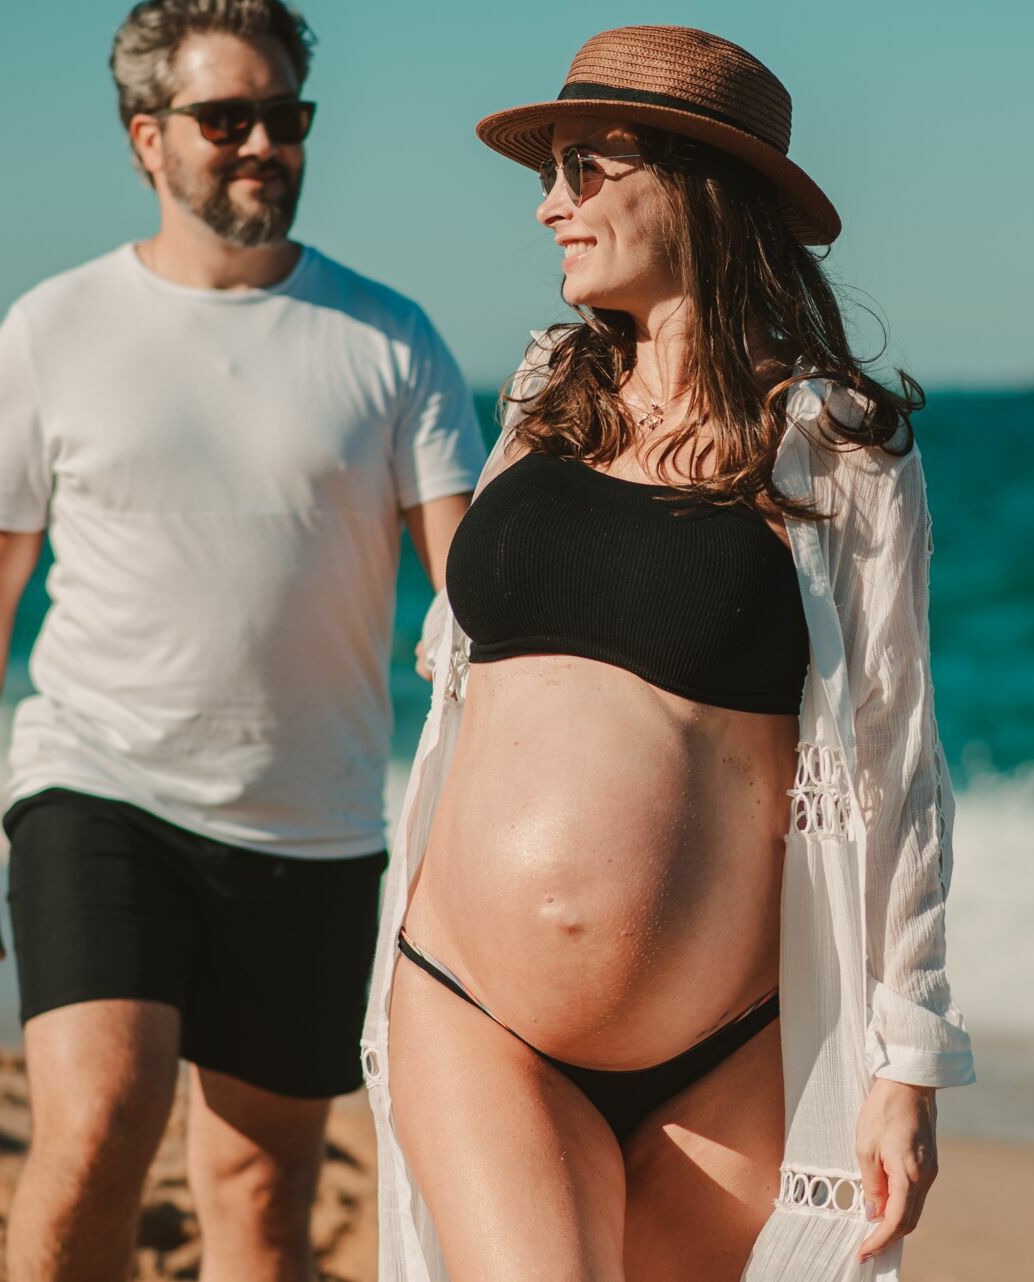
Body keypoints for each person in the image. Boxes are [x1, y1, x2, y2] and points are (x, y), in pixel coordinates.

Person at [360, 25, 973, 1282]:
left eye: (585, 169)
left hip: (737, 1049)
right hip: (474, 1005)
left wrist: (907, 1060)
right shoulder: (546, 398)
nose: (549, 207)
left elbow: (897, 754)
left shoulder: (839, 447)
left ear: (694, 184)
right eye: (549, 174)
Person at [0, 2, 485, 1278]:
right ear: (143, 138)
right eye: (228, 119)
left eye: (287, 117)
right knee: (102, 1120)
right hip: (100, 786)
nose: (263, 144)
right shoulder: (52, 329)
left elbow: (477, 599)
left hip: (315, 825)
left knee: (260, 1185)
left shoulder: (394, 341)